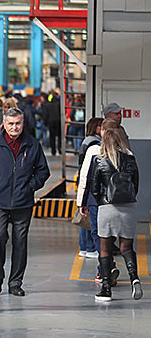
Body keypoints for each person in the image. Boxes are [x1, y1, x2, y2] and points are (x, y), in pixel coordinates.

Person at [0, 107, 50, 296]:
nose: (14, 127)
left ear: (23, 123)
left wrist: (29, 187)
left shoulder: (32, 144)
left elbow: (43, 171)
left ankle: (15, 282)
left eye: (18, 123)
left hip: (23, 203)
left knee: (20, 242)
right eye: (10, 123)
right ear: (4, 124)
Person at [90, 128, 142, 302]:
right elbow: (136, 184)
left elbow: (94, 188)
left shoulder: (99, 160)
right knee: (126, 247)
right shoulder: (130, 159)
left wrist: (102, 202)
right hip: (128, 207)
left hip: (107, 208)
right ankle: (134, 278)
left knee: (105, 249)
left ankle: (105, 288)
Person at [77, 118, 122, 284]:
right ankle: (107, 268)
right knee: (110, 235)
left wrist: (81, 201)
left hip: (95, 200)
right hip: (117, 201)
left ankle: (106, 268)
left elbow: (85, 177)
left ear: (102, 131)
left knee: (97, 234)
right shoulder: (124, 151)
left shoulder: (94, 150)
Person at [77, 118, 103, 260]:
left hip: (84, 178)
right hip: (90, 182)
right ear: (96, 127)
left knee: (85, 217)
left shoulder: (86, 140)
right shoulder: (94, 144)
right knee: (90, 219)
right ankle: (90, 247)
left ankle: (85, 247)